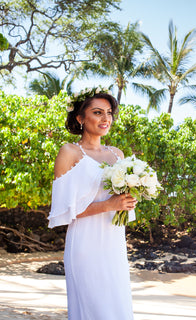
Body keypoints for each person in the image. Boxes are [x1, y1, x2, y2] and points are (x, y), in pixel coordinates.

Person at [47, 88, 136, 320]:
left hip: (114, 242)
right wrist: (109, 205)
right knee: (93, 307)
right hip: (85, 244)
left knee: (117, 305)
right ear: (80, 118)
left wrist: (129, 199)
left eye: (109, 113)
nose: (106, 119)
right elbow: (64, 210)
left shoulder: (117, 154)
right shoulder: (69, 152)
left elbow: (121, 201)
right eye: (97, 112)